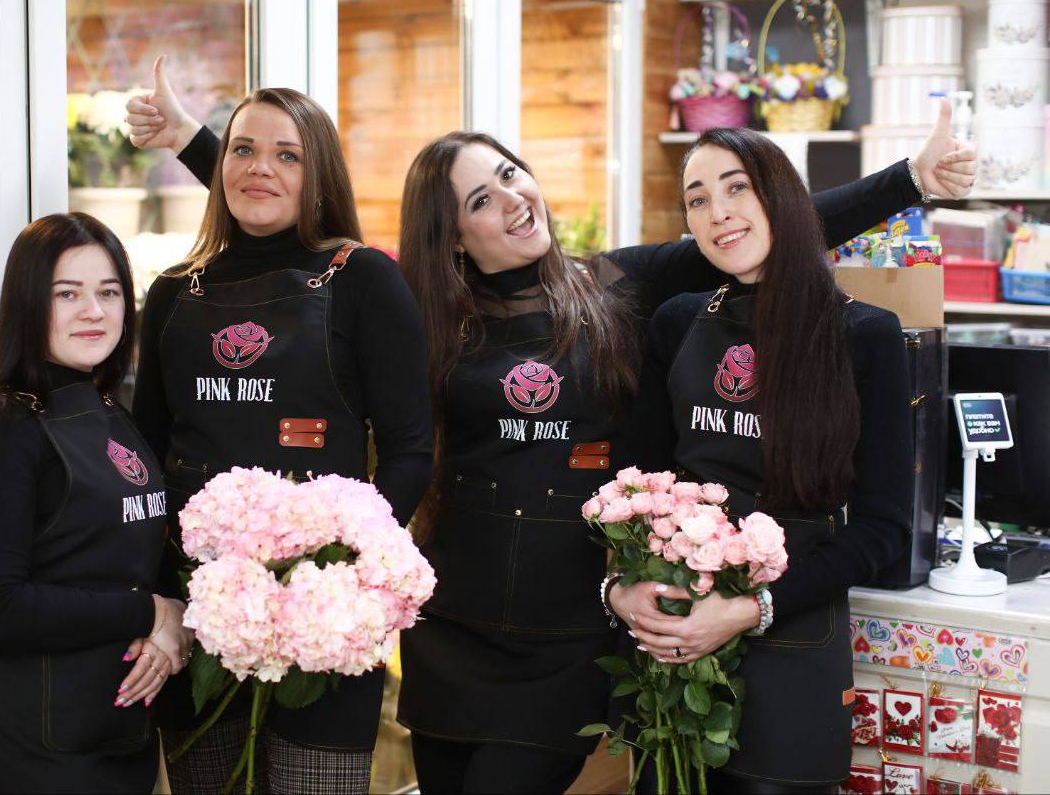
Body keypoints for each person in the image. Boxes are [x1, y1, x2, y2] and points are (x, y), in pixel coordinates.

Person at [128, 63, 974, 792]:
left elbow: (763, 225)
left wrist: (909, 180)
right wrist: (201, 145)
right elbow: (293, 222)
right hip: (452, 626)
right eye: (480, 199)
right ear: (452, 235)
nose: (512, 200)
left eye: (511, 174)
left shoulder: (619, 286)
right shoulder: (418, 310)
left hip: (569, 630)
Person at [128, 62, 434, 795]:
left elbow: (409, 452)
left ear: (318, 174)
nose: (260, 168)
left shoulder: (363, 278)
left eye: (287, 155)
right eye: (242, 150)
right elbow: (146, 456)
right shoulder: (172, 292)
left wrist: (338, 572)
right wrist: (156, 597)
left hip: (322, 622)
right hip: (196, 611)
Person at [614, 127, 914, 790]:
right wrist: (620, 587)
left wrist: (750, 608)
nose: (717, 212)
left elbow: (883, 528)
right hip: (678, 641)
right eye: (697, 199)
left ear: (782, 197)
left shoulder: (863, 334)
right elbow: (634, 483)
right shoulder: (676, 321)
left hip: (794, 644)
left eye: (737, 188)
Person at [0, 213, 193, 792]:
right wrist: (151, 612)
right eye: (67, 294)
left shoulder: (109, 409)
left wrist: (174, 623)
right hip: (42, 741)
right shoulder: (1, 424)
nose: (94, 311)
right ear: (28, 303)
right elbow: (0, 608)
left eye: (109, 292)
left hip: (120, 723)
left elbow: (132, 560)